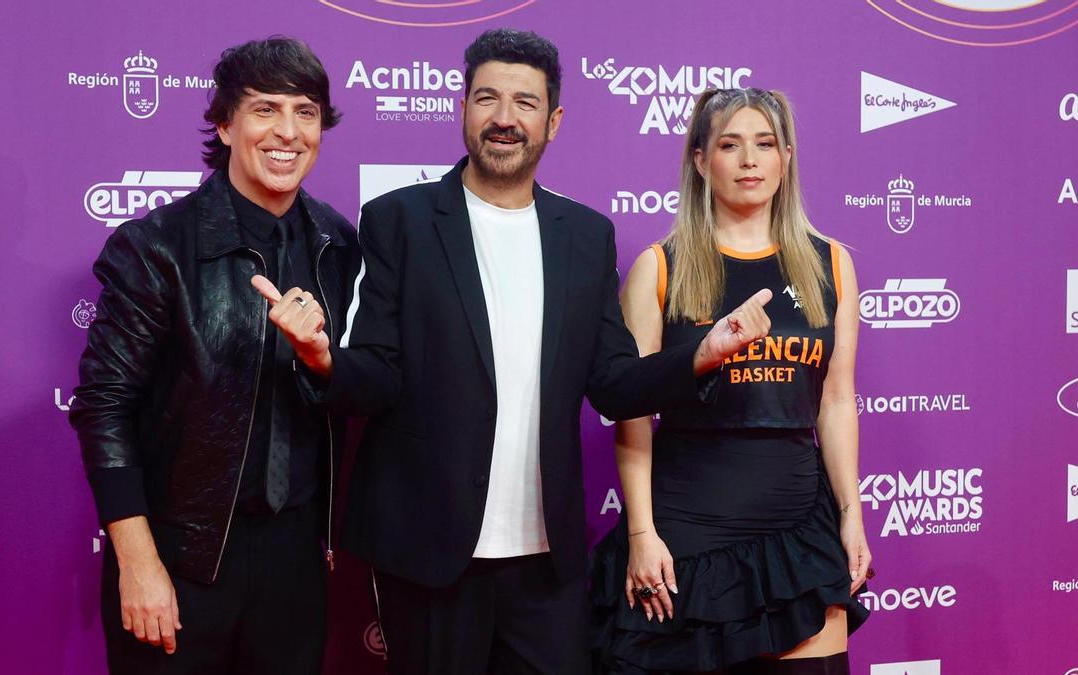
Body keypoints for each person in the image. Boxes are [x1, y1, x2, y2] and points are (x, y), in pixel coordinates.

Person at [252, 28, 775, 675]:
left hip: (545, 561)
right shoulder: (400, 221)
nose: (505, 118)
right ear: (463, 108)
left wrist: (700, 353)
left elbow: (612, 382)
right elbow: (377, 375)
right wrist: (321, 359)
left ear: (552, 120)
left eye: (525, 103)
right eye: (487, 99)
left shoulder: (585, 236)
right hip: (430, 553)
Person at [69, 37, 359, 674]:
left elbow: (359, 391)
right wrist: (138, 565)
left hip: (295, 558)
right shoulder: (157, 247)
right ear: (225, 124)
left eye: (306, 112)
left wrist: (319, 359)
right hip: (183, 552)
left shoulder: (340, 244)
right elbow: (103, 410)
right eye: (264, 110)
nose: (287, 132)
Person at [590, 88, 872, 674]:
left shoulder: (831, 263)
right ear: (700, 160)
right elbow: (631, 409)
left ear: (786, 157)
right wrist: (642, 534)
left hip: (800, 528)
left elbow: (837, 401)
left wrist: (851, 514)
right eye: (730, 144)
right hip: (686, 536)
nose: (750, 160)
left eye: (765, 144)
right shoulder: (660, 267)